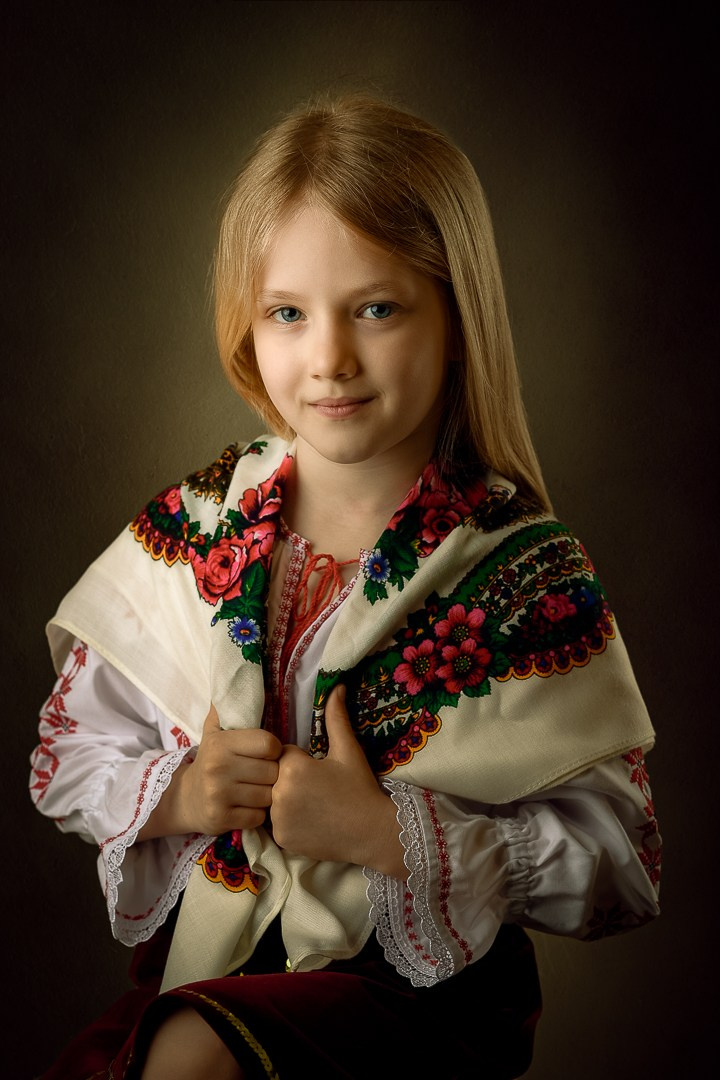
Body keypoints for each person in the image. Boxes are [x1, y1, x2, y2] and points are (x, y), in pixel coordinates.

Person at [30, 94, 661, 1080]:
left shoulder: (519, 565)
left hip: (414, 997)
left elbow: (620, 864)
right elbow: (70, 756)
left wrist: (389, 833)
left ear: (457, 320)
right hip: (215, 962)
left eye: (376, 308)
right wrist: (182, 794)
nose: (327, 359)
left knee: (194, 1055)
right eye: (288, 313)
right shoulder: (202, 525)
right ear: (248, 323)